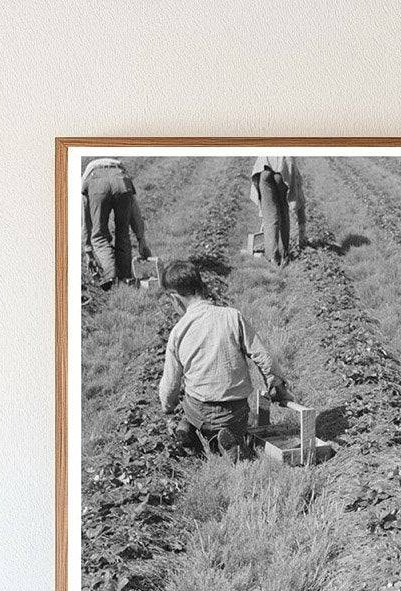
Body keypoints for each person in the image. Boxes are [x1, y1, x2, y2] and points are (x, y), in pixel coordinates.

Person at [158, 261, 285, 457]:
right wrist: (275, 384)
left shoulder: (178, 332)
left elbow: (170, 384)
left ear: (175, 298)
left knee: (190, 407)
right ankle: (232, 439)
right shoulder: (232, 317)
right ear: (201, 287)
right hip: (233, 411)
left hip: (199, 409)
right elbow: (263, 356)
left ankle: (192, 431)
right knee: (240, 421)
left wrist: (167, 406)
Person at [81, 157, 151, 288]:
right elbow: (135, 213)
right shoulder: (119, 167)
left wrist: (88, 251)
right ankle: (125, 278)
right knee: (123, 232)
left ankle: (110, 275)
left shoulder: (86, 176)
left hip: (96, 182)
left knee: (98, 235)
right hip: (121, 180)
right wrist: (141, 240)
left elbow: (85, 219)